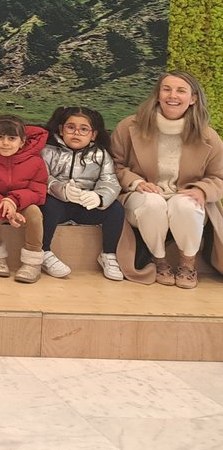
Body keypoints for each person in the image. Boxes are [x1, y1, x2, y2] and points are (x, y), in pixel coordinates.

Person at [112, 71, 223, 289]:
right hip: (142, 195)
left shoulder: (208, 136)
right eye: (167, 89)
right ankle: (159, 260)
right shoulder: (128, 127)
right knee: (153, 203)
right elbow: (115, 165)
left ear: (192, 99)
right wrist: (136, 182)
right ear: (158, 94)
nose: (173, 95)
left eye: (181, 90)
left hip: (183, 195)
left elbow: (218, 176)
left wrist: (201, 191)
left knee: (185, 205)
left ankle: (188, 263)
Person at [40, 106, 124, 281]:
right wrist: (61, 190)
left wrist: (99, 198)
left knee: (115, 209)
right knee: (48, 205)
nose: (76, 133)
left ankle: (109, 254)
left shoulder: (100, 154)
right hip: (59, 204)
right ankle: (43, 251)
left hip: (85, 206)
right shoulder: (48, 151)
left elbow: (109, 181)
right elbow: (42, 178)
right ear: (61, 130)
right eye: (71, 127)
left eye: (83, 129)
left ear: (93, 134)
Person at [0, 116, 49, 283]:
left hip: (22, 204)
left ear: (22, 141)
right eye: (0, 137)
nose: (5, 143)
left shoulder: (36, 162)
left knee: (34, 212)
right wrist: (7, 210)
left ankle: (32, 262)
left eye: (12, 138)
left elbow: (38, 192)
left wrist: (13, 201)